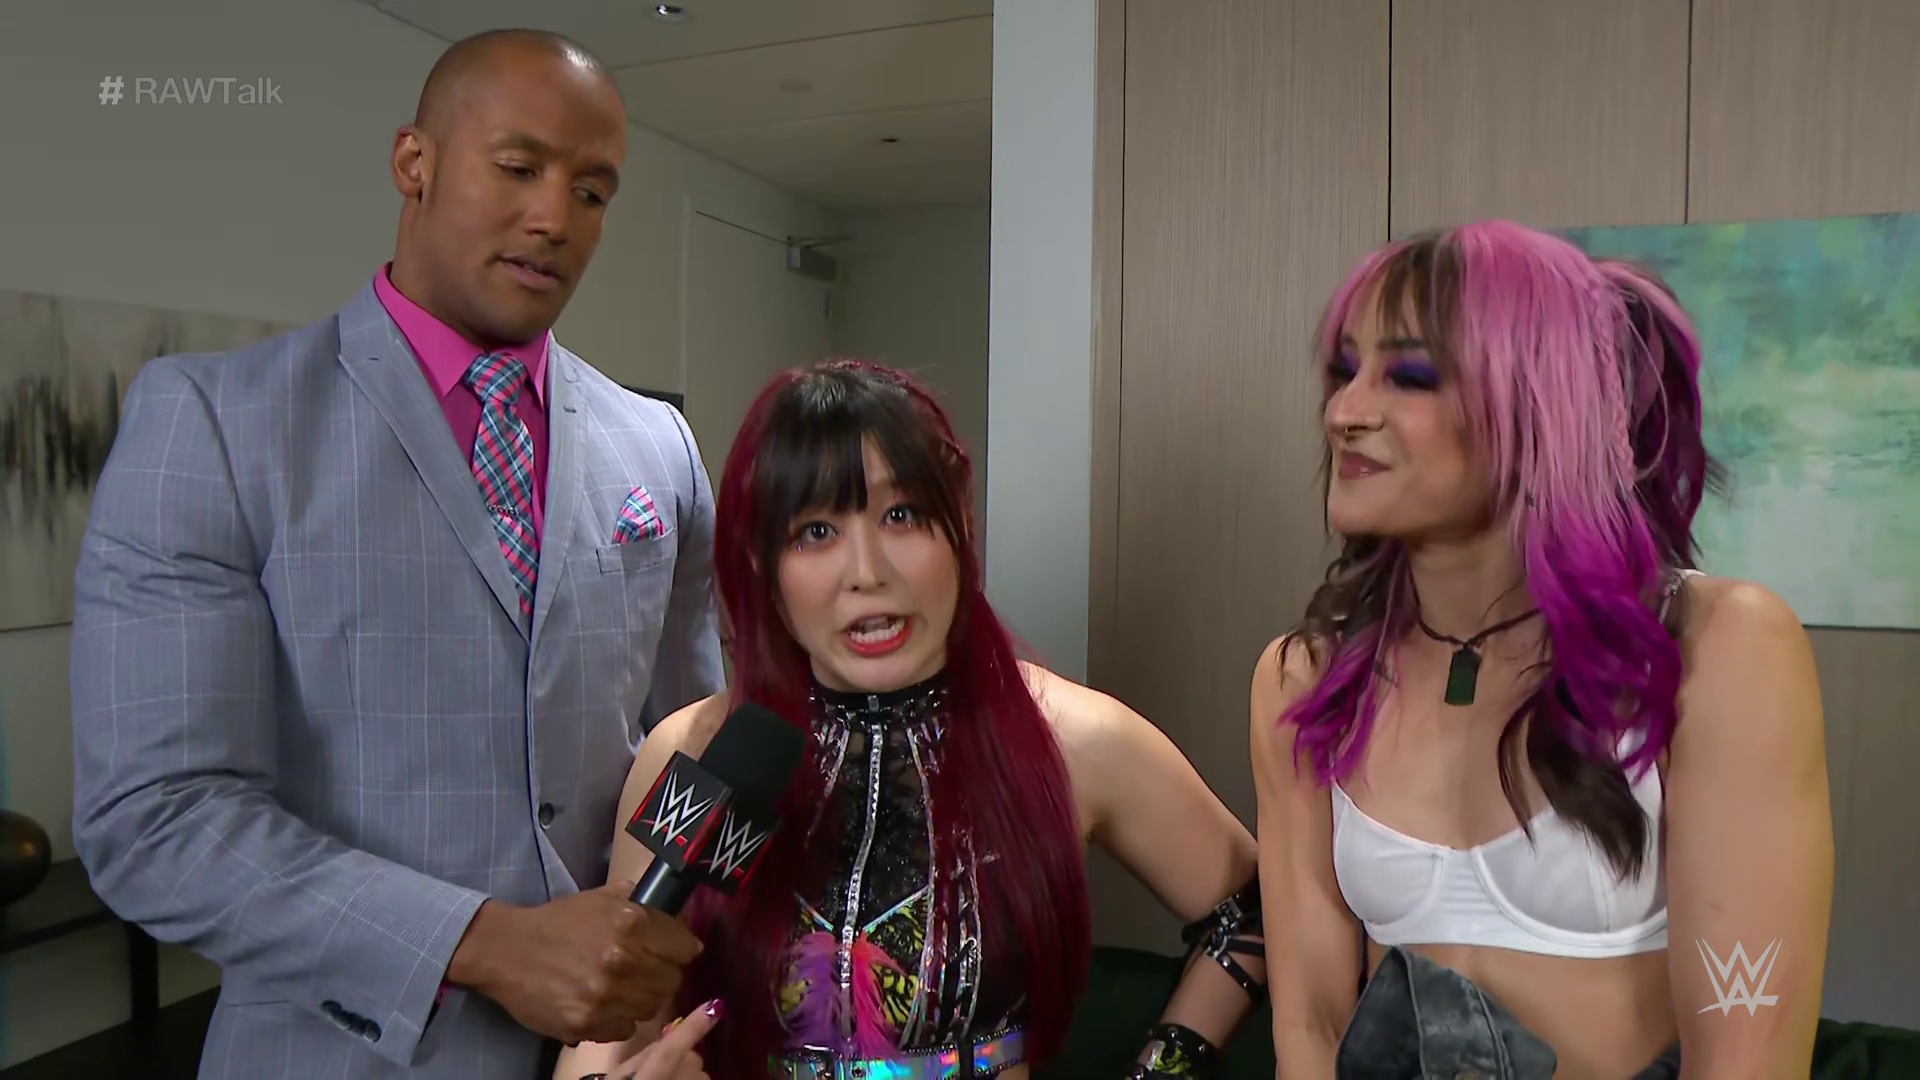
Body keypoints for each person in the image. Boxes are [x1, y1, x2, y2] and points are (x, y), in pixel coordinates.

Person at [67, 29, 724, 1080]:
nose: (554, 218)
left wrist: (673, 964)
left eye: (592, 191)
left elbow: (697, 749)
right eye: (517, 168)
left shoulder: (659, 446)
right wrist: (487, 944)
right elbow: (156, 818)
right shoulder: (219, 425)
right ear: (414, 162)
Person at [556, 360, 1270, 1080]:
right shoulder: (702, 752)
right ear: (762, 566)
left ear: (960, 525)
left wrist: (1161, 1069)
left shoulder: (1074, 738)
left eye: (901, 516)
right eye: (816, 531)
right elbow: (612, 1014)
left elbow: (1256, 912)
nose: (867, 571)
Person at [1249, 220, 1834, 1079]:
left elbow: (1748, 1064)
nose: (1345, 413)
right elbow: (1310, 1029)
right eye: (1344, 372)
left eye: (1409, 375)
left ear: (1536, 403)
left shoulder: (1721, 647)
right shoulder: (1306, 680)